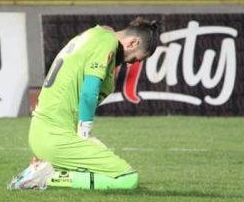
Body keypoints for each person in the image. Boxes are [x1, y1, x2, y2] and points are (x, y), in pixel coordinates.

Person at [8, 17, 161, 191]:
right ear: (133, 42)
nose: (129, 64)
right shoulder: (107, 41)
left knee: (102, 162)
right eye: (135, 59)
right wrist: (85, 131)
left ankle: (44, 169)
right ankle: (45, 178)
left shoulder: (93, 36)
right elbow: (89, 92)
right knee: (127, 179)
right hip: (55, 137)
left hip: (44, 132)